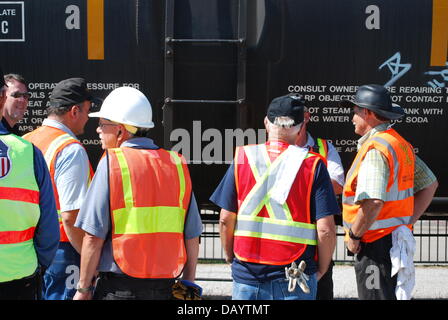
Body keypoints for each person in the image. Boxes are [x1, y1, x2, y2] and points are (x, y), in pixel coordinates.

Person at [73, 86, 202, 300]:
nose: (98, 130)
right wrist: (188, 286)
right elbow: (192, 235)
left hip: (121, 289)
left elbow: (92, 237)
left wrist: (84, 289)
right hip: (167, 289)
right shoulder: (176, 164)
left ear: (121, 131)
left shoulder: (112, 163)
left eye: (103, 125)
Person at [210, 94, 339, 300]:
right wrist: (322, 269)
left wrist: (229, 256)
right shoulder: (312, 165)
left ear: (266, 123)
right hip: (295, 275)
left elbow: (225, 219)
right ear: (299, 127)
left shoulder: (243, 157)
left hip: (247, 274)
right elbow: (326, 229)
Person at [340, 84, 438, 300]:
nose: (352, 118)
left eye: (355, 112)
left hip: (375, 244)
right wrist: (405, 222)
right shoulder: (398, 143)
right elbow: (430, 184)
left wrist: (354, 235)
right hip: (394, 239)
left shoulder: (376, 149)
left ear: (368, 113)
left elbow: (373, 202)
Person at [23, 78, 96, 300]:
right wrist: (89, 261)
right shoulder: (70, 149)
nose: (88, 119)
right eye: (87, 111)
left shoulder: (26, 141)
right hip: (64, 251)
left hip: (32, 247)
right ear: (74, 111)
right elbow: (71, 216)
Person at [0, 66, 59, 300]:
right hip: (20, 275)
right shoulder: (26, 151)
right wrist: (40, 265)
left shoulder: (26, 147)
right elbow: (48, 221)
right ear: (3, 97)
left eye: (26, 96)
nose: (23, 101)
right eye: (16, 95)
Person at [294, 94, 345, 300]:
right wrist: (316, 185)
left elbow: (338, 184)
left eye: (296, 115)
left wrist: (296, 186)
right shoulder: (266, 151)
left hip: (316, 246)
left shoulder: (324, 148)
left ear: (307, 117)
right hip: (278, 248)